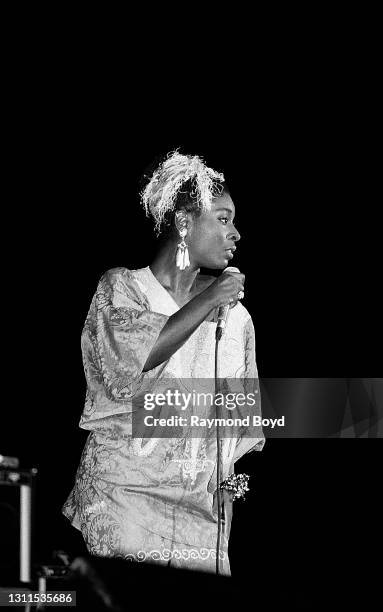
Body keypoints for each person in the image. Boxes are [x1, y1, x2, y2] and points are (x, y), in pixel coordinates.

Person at [62, 151, 265, 575]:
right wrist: (211, 298)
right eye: (223, 219)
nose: (236, 232)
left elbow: (239, 425)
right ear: (185, 224)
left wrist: (226, 498)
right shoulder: (124, 289)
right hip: (125, 504)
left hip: (199, 524)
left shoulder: (237, 317)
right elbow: (131, 366)